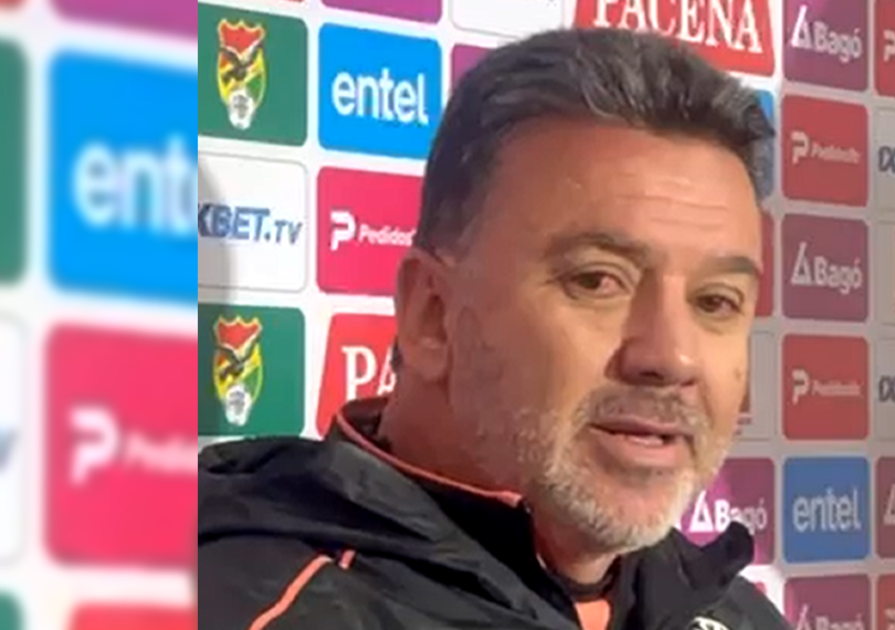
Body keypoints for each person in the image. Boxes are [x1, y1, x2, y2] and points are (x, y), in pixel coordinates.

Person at [198, 27, 786, 630]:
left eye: (716, 301)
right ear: (432, 315)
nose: (673, 356)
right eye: (597, 281)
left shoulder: (735, 614)